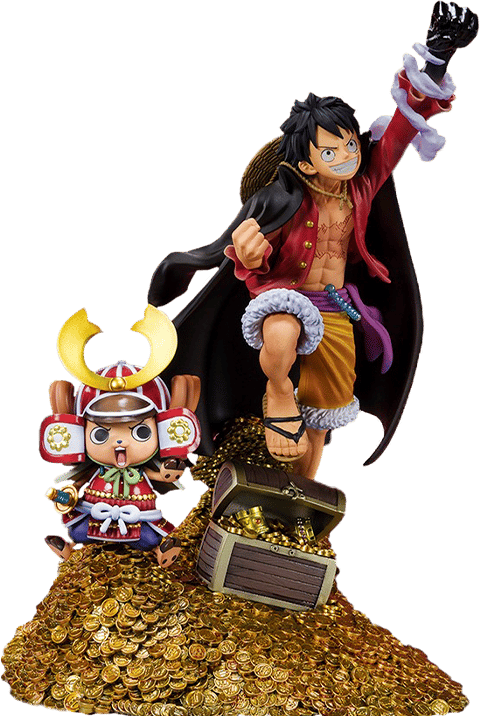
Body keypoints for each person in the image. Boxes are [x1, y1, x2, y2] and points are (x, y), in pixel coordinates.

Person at [148, 2, 477, 478]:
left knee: (326, 412)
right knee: (282, 332)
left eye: (349, 144)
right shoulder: (280, 201)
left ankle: (301, 493)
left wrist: (440, 57)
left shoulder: (361, 188)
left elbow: (402, 127)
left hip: (337, 306)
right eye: (330, 150)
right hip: (282, 297)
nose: (346, 155)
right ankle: (278, 390)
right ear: (304, 162)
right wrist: (249, 256)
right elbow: (247, 256)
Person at [40, 306, 201, 566]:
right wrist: (65, 495)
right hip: (96, 511)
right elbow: (75, 487)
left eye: (140, 431)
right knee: (79, 531)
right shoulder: (95, 470)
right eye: (101, 433)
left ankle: (161, 552)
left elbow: (158, 475)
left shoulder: (144, 467)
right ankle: (71, 550)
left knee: (148, 538)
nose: (119, 442)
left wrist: (166, 473)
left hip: (138, 514)